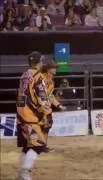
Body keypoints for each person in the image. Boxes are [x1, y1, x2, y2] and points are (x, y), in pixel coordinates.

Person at [16, 51, 52, 180]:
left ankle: (21, 174)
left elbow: (21, 95)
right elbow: (42, 96)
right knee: (38, 146)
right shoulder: (38, 76)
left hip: (21, 115)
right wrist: (47, 113)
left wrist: (21, 112)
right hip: (31, 116)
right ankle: (25, 173)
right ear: (38, 62)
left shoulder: (24, 75)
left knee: (27, 146)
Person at [41, 60, 66, 149]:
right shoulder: (42, 79)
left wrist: (58, 105)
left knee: (47, 124)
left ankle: (43, 145)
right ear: (48, 69)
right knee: (42, 125)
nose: (55, 69)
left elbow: (50, 96)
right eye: (53, 68)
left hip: (45, 106)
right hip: (39, 106)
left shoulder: (51, 81)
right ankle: (39, 145)